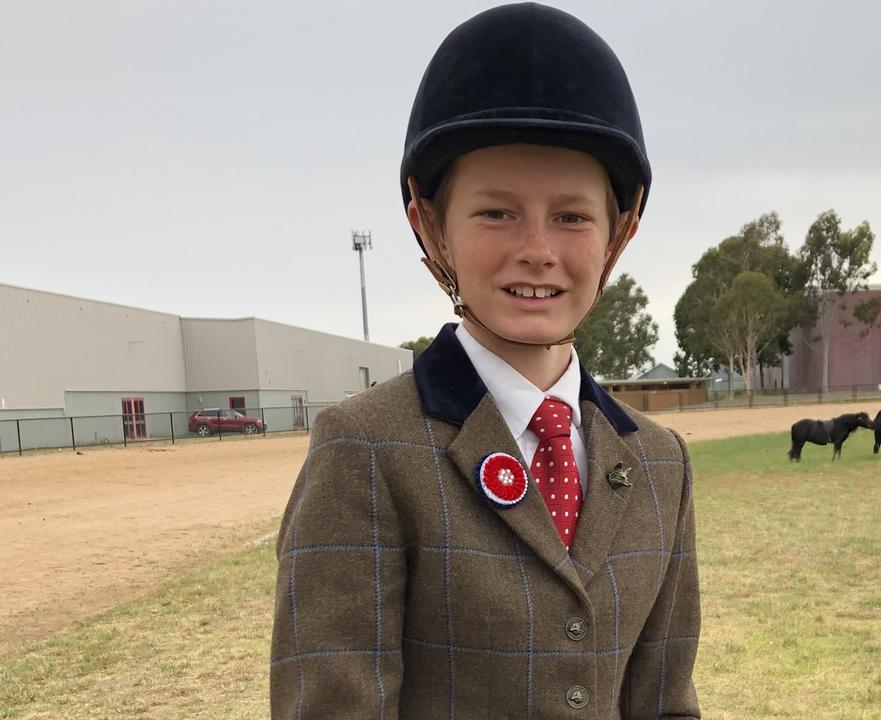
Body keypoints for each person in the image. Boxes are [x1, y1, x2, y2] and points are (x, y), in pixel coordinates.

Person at [269, 6, 700, 718]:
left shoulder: (660, 464)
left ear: (618, 233)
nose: (536, 249)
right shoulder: (367, 449)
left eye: (571, 216)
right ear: (429, 224)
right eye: (496, 213)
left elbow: (665, 701)